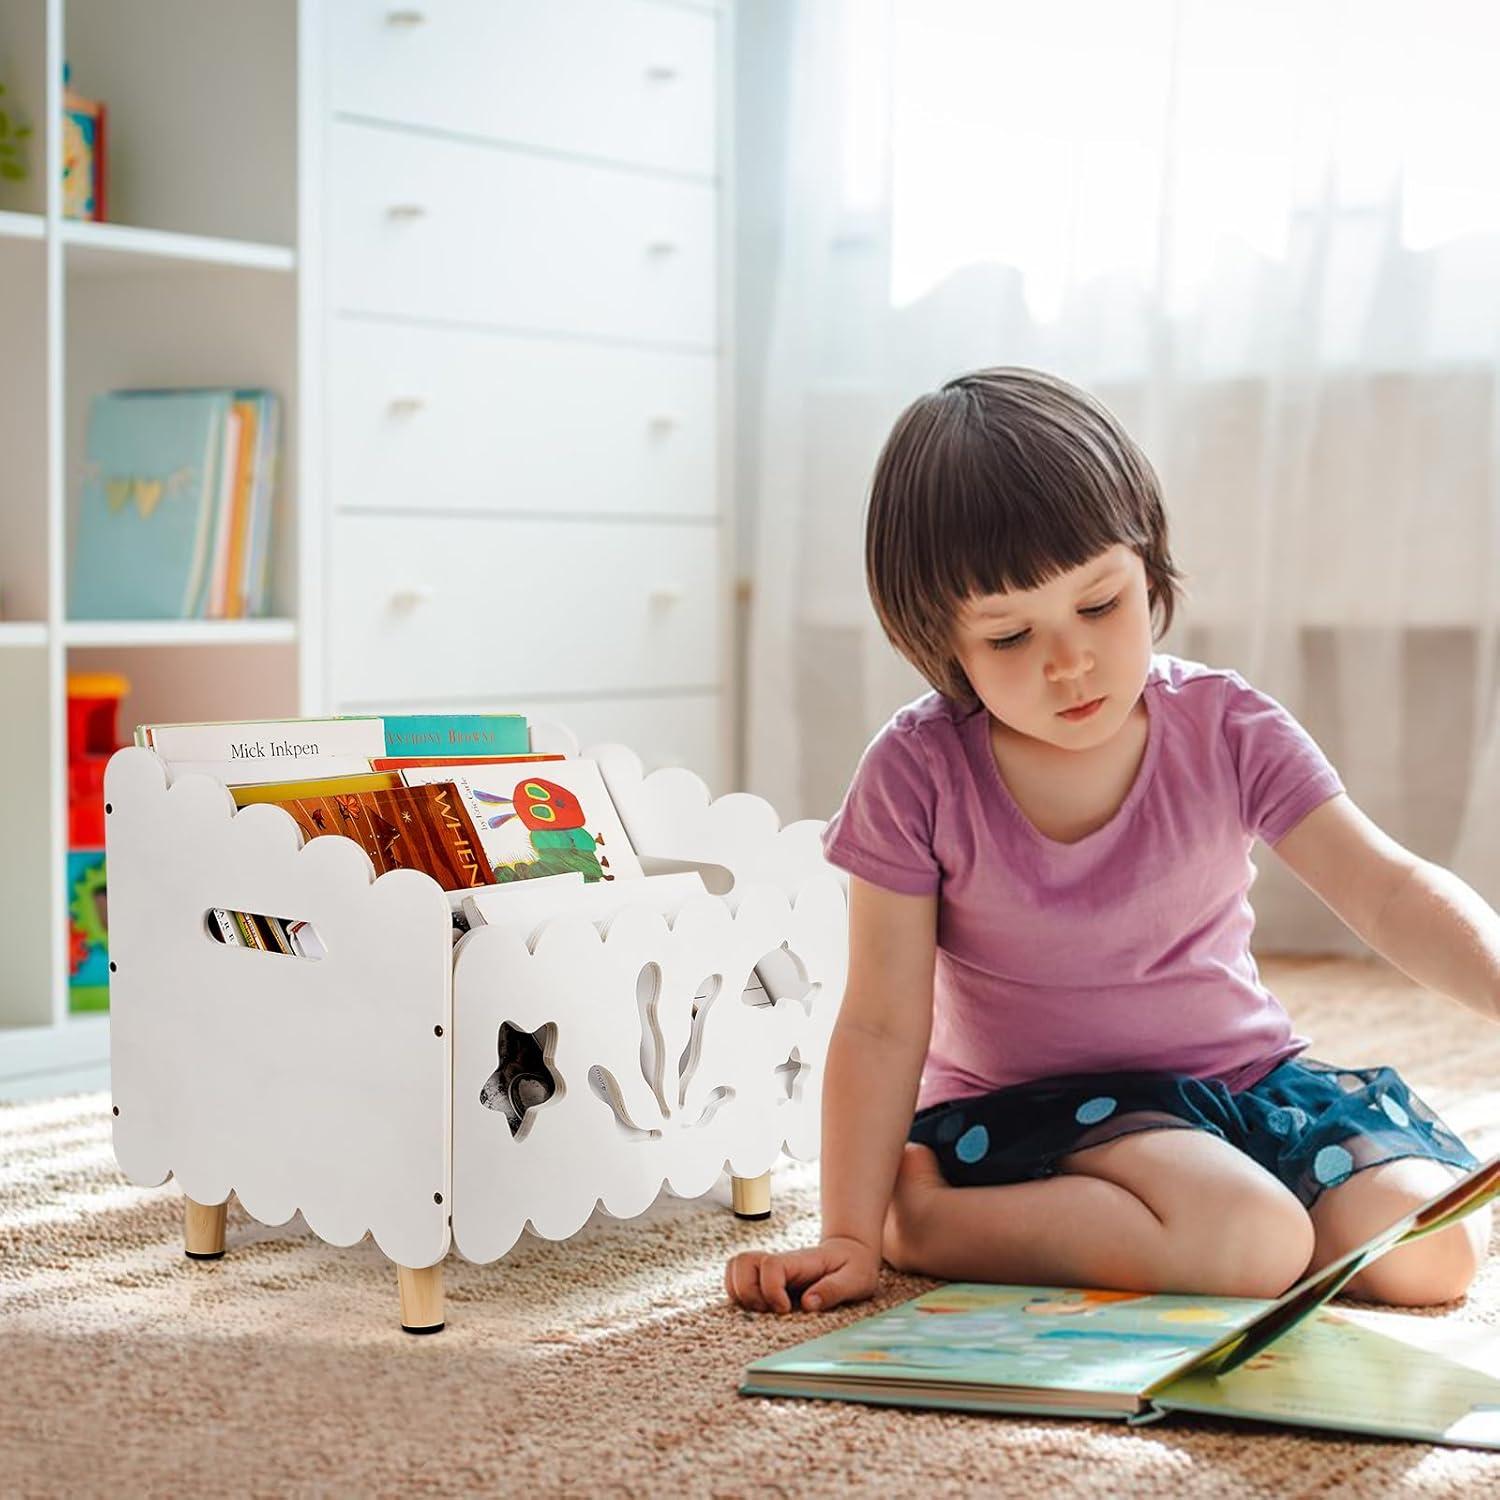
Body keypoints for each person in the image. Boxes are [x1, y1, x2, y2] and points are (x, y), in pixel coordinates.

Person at [725, 367, 1498, 1317]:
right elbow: (882, 1021)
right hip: (1040, 1116)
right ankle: (921, 1220)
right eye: (1010, 637)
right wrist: (848, 1232)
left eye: (1099, 606)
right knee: (1252, 1240)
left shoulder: (1227, 725)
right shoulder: (916, 770)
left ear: (1149, 567)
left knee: (1433, 1253)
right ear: (943, 643)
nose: (1070, 662)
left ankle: (1208, 1224)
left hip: (1242, 1082)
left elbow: (1387, 889)